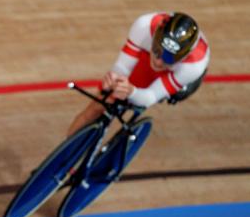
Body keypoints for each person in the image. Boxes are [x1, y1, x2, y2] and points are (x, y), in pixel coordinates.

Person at [67, 12, 210, 136]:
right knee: (99, 104)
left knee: (174, 94)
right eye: (157, 50)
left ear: (184, 56)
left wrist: (132, 92)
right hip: (144, 54)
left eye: (168, 58)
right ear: (154, 37)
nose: (159, 62)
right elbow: (122, 67)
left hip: (177, 73)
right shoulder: (144, 27)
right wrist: (114, 80)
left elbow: (151, 96)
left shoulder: (193, 66)